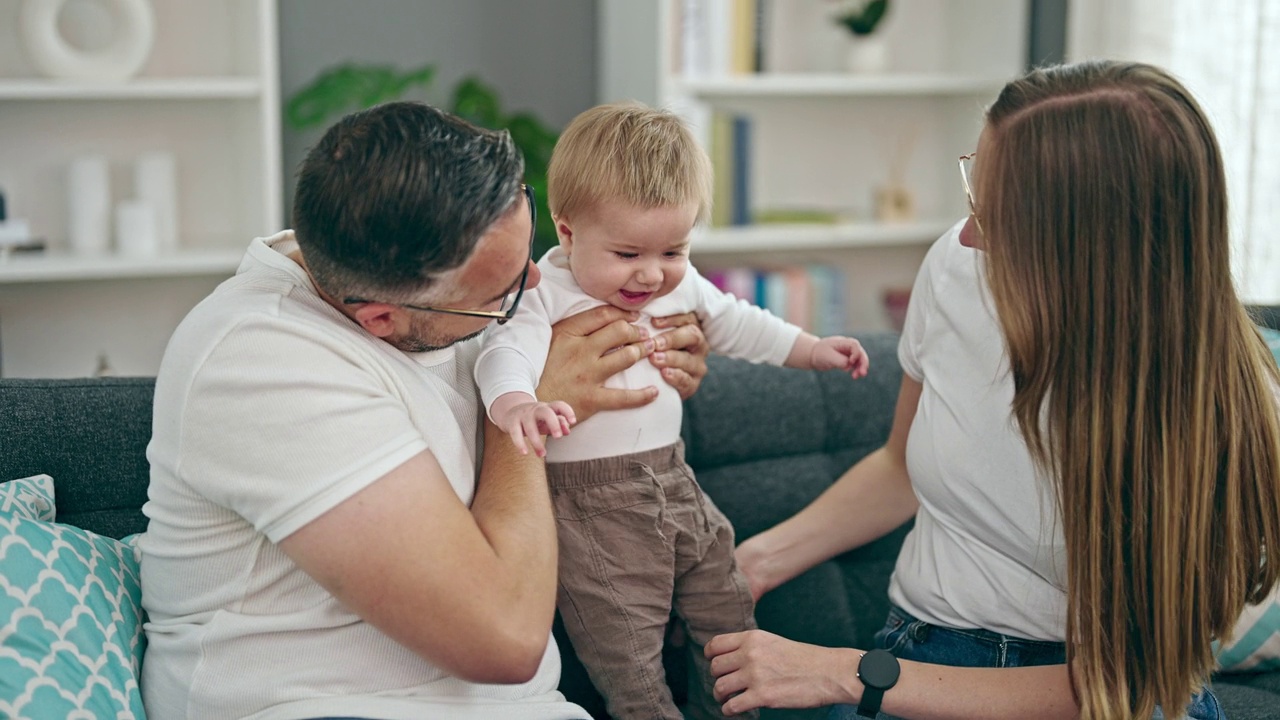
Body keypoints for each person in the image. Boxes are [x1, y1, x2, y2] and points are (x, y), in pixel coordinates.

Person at [703, 60, 1280, 720]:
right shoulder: (958, 264)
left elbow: (1124, 688)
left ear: (1089, 248)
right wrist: (756, 561)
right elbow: (899, 468)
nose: (968, 232)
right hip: (917, 654)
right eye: (975, 186)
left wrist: (843, 674)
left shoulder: (1212, 414)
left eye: (997, 213)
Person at [137, 101, 713, 720]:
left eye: (530, 253)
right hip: (325, 707)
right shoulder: (261, 360)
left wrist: (652, 352)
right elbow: (507, 640)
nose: (536, 289)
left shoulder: (436, 293)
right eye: (503, 294)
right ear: (379, 320)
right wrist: (527, 411)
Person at [471, 102, 869, 720]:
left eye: (673, 251)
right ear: (569, 231)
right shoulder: (544, 294)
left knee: (725, 602)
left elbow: (739, 323)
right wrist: (516, 401)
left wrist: (813, 349)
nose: (652, 275)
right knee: (625, 645)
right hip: (589, 503)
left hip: (675, 478)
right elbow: (503, 353)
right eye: (628, 254)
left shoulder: (678, 285)